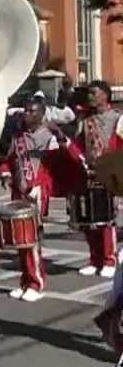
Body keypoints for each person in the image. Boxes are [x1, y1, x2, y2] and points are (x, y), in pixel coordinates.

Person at [0, 98, 59, 301]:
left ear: (41, 114)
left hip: (37, 193)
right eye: (26, 110)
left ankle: (36, 282)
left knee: (32, 240)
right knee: (20, 239)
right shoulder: (18, 137)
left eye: (32, 111)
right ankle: (25, 280)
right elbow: (7, 161)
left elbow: (56, 167)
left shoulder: (49, 137)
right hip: (19, 193)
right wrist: (6, 174)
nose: (27, 114)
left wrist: (41, 185)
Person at [72, 80, 122, 277]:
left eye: (94, 92)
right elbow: (77, 144)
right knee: (89, 219)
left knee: (107, 218)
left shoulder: (117, 119)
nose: (90, 96)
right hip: (88, 172)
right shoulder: (85, 120)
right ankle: (95, 258)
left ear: (105, 95)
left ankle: (109, 259)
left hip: (110, 171)